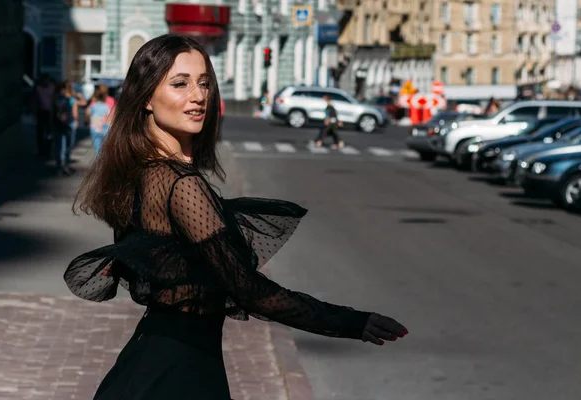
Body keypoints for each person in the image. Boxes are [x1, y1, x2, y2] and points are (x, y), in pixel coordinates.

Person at [64, 34, 408, 399]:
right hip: (180, 372)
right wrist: (353, 322)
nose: (198, 96)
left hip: (154, 357)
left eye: (204, 83)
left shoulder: (139, 172)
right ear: (147, 97)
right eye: (180, 84)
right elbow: (248, 290)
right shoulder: (179, 185)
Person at [54, 80, 85, 175]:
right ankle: (66, 165)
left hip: (58, 123)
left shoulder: (56, 97)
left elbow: (52, 111)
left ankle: (59, 166)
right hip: (69, 124)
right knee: (68, 145)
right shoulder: (71, 99)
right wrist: (78, 95)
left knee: (59, 146)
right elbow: (82, 104)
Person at [33, 74, 56, 158]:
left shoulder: (52, 88)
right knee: (40, 132)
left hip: (49, 112)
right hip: (41, 111)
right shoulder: (38, 88)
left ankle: (48, 150)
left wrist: (53, 113)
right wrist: (34, 113)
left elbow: (53, 101)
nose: (45, 82)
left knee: (49, 132)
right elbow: (35, 101)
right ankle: (40, 150)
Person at [86, 90, 113, 155]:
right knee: (104, 148)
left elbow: (87, 112)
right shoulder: (106, 106)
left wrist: (87, 120)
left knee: (97, 147)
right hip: (105, 129)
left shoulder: (93, 106)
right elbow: (110, 117)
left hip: (95, 129)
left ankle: (98, 162)